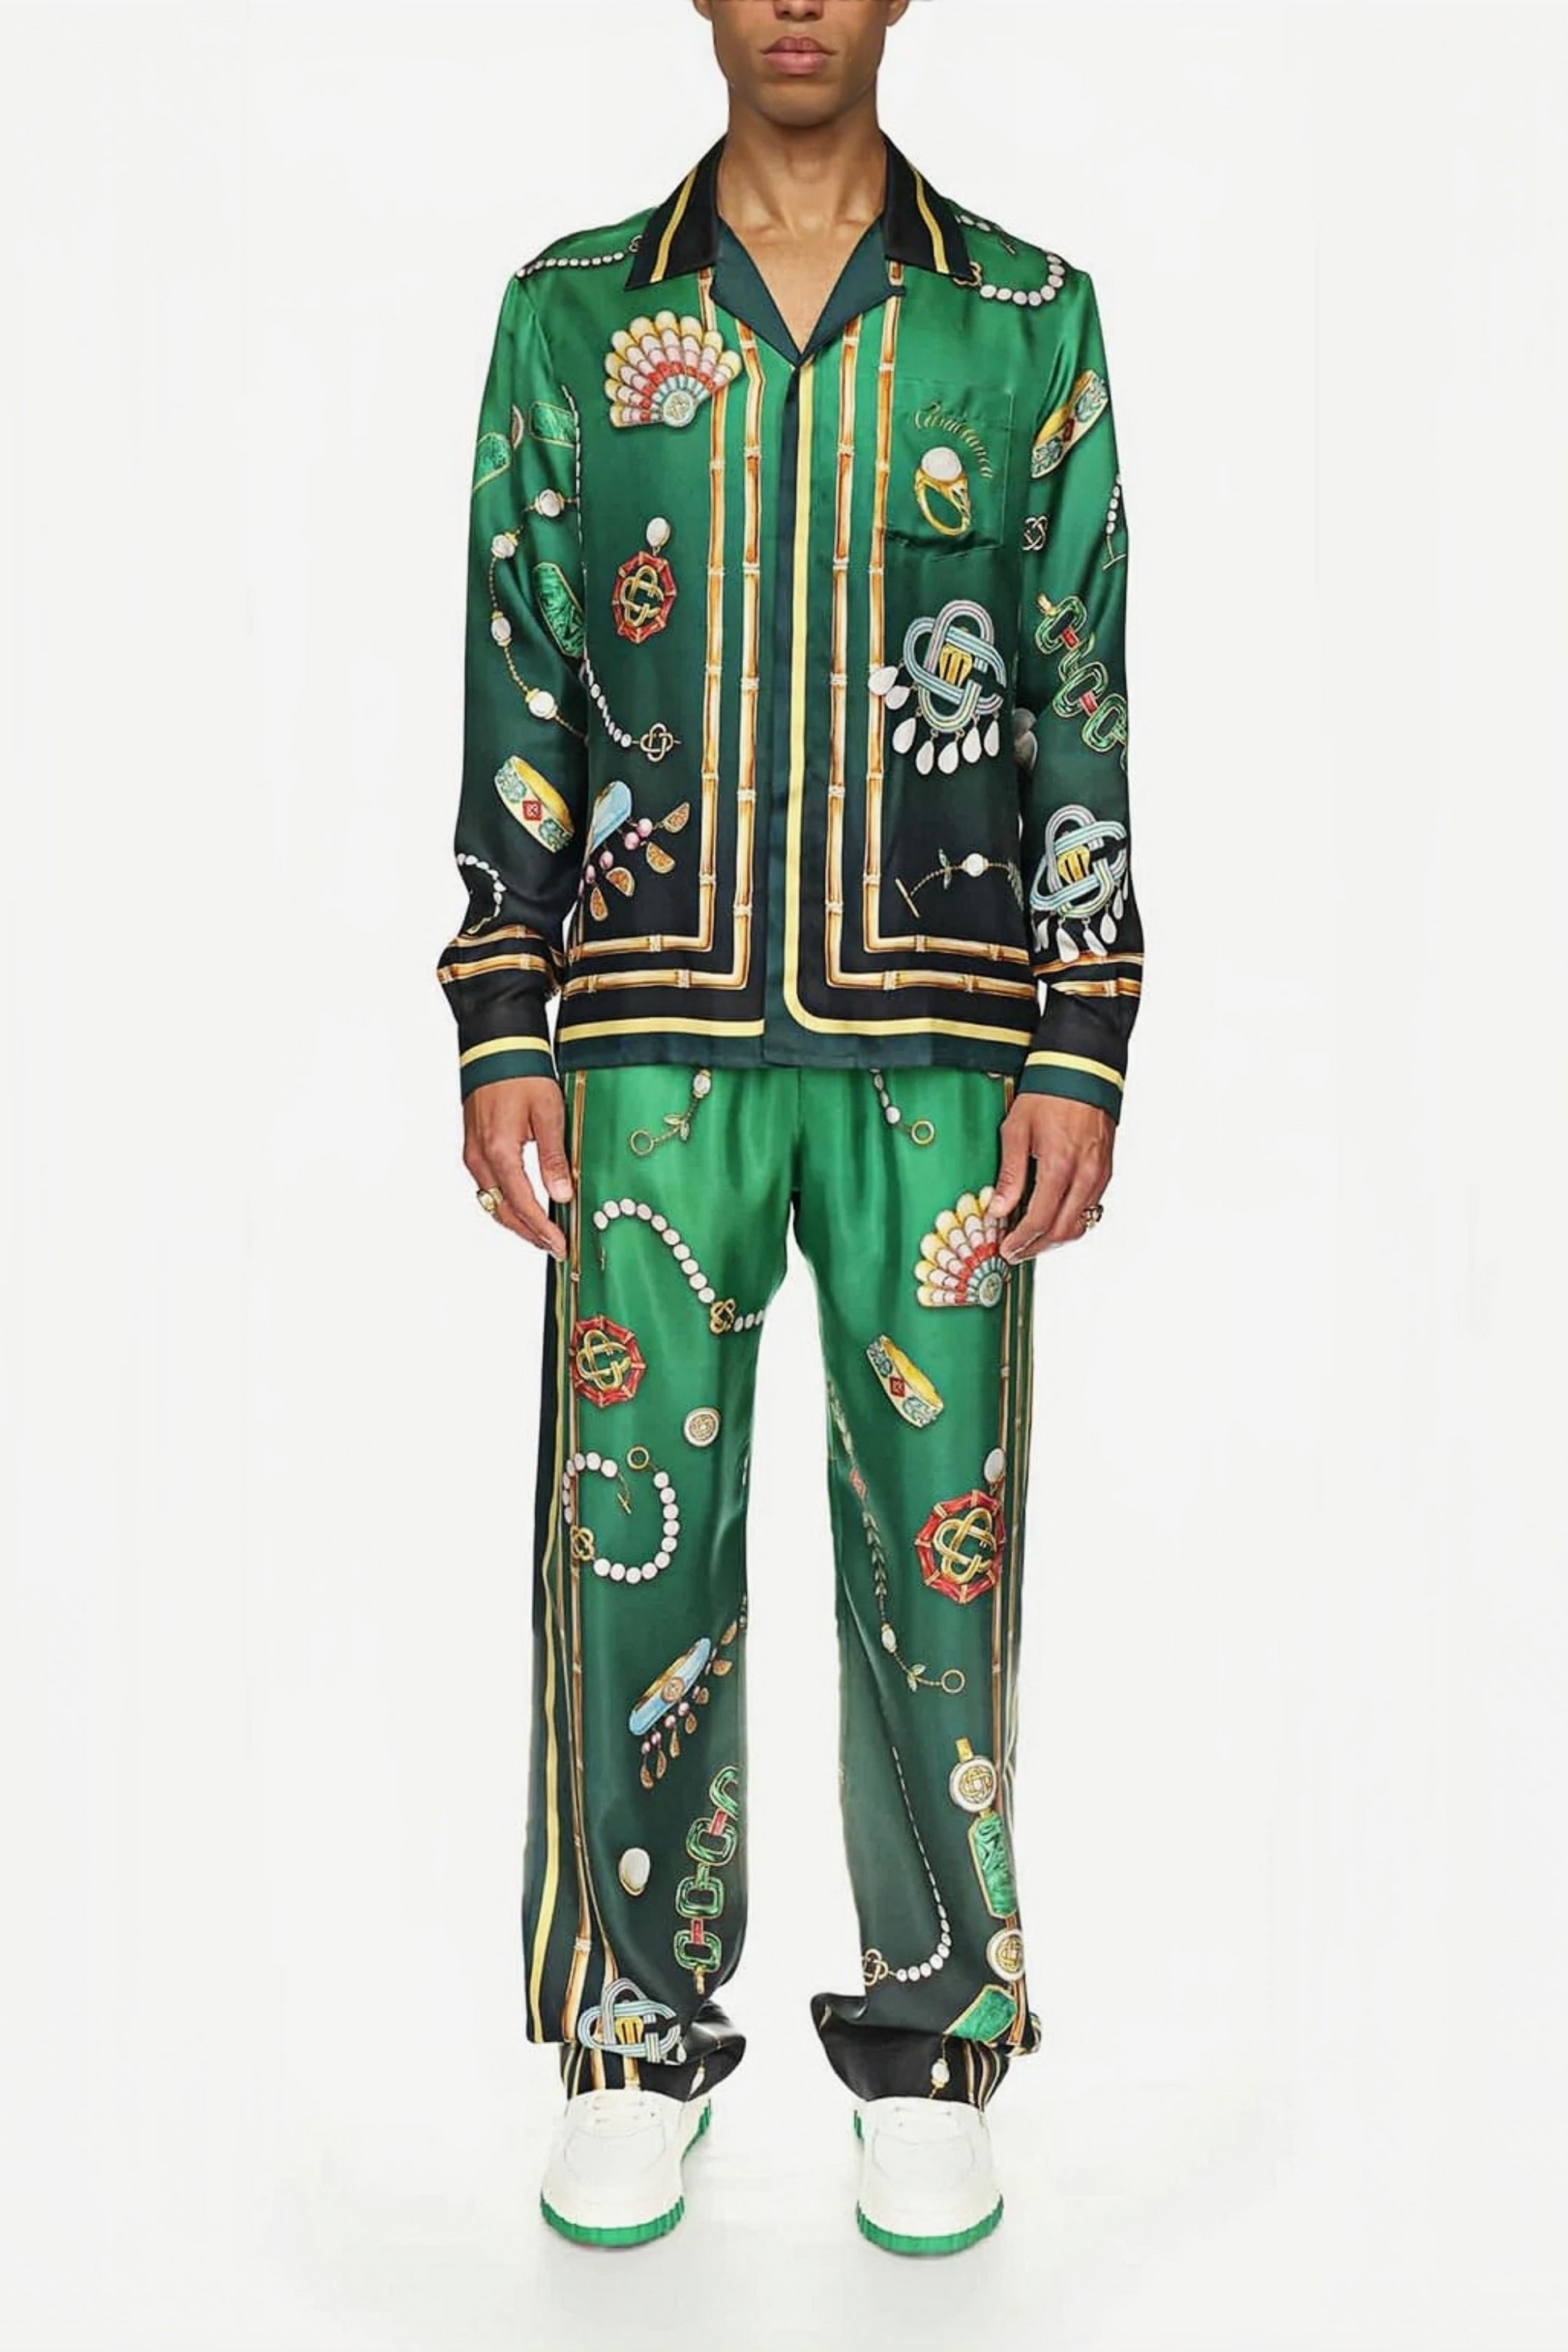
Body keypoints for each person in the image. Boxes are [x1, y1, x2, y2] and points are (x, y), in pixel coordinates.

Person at [436, 0, 1142, 2257]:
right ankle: (630, 2037)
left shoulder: (1024, 320)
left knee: (945, 1545)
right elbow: (523, 659)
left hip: (947, 1046)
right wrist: (503, 1006)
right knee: (629, 1550)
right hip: (645, 1044)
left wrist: (1084, 1030)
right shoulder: (574, 317)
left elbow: (1078, 673)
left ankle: (938, 2043)